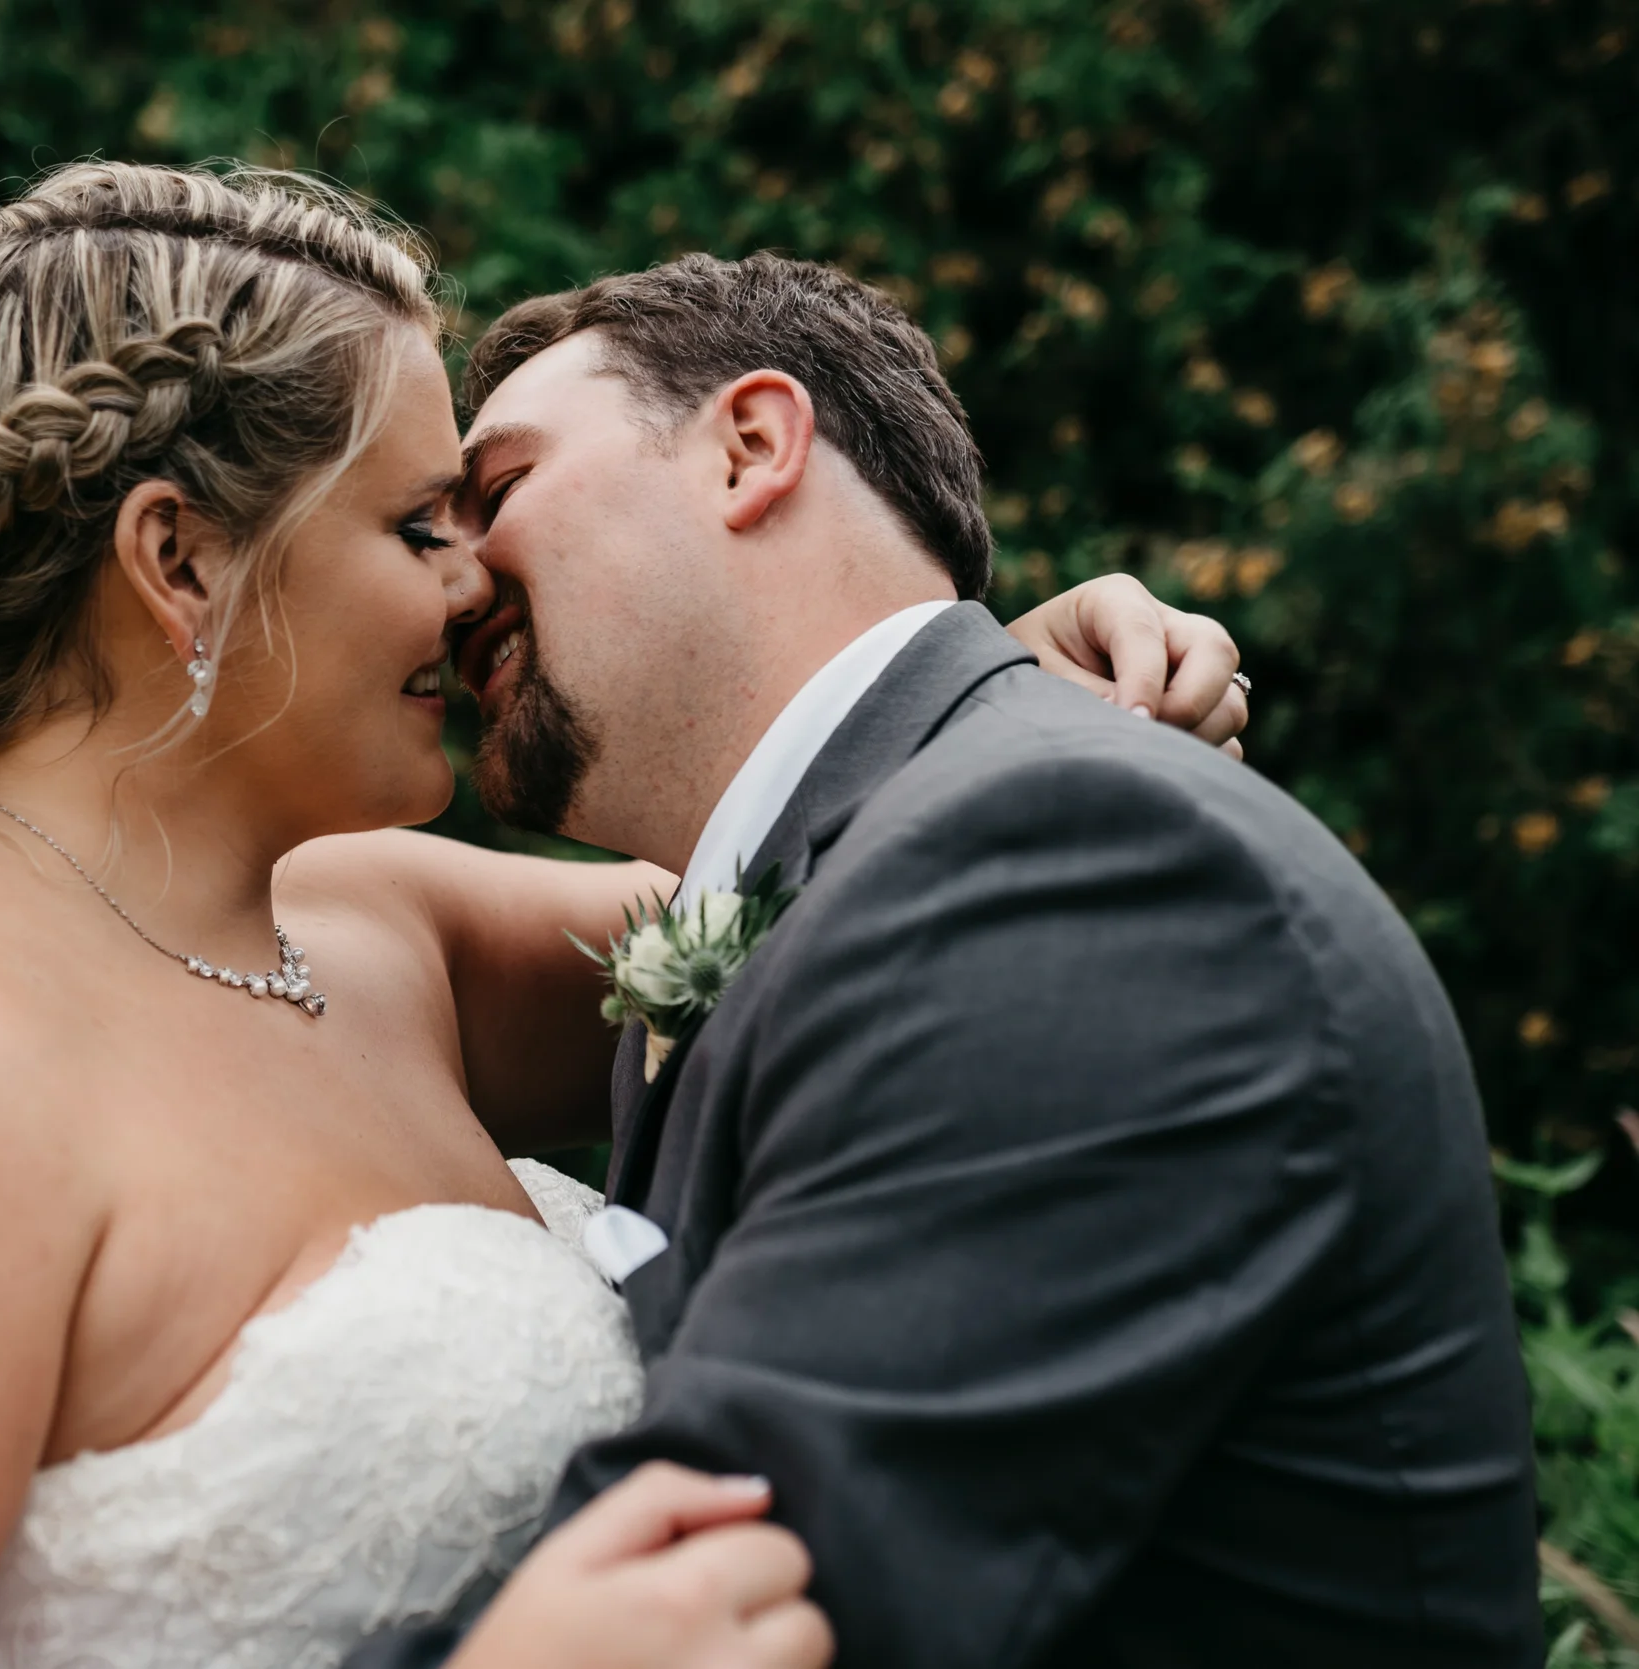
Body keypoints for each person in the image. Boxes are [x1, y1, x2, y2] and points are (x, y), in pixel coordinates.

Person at [0, 163, 1245, 1669]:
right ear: (181, 560)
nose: (478, 588)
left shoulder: (380, 933)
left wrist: (985, 690)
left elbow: (851, 900)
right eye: (423, 524)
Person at [348, 254, 1543, 1668]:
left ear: (750, 447)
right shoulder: (875, 870)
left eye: (497, 491)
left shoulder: (1069, 864)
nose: (457, 573)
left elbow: (750, 1586)